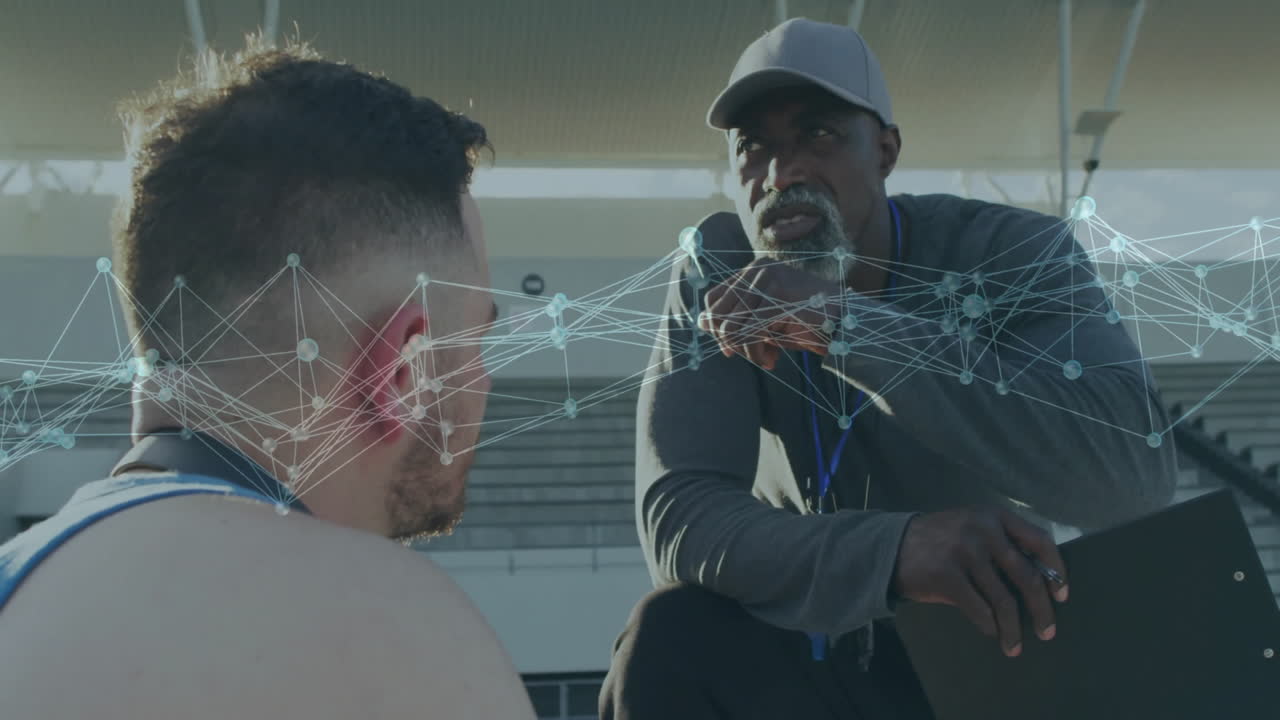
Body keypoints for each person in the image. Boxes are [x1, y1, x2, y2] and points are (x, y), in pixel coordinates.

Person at [601, 18, 1177, 720]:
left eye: (819, 136)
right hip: (812, 644)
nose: (783, 174)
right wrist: (897, 552)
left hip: (982, 644)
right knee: (671, 635)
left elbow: (1134, 479)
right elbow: (681, 524)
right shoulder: (720, 266)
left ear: (886, 149)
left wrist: (848, 326)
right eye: (754, 149)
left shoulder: (1006, 250)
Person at [0, 36, 535, 720]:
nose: (484, 381)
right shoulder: (375, 628)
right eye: (476, 339)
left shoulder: (27, 585)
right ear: (405, 370)